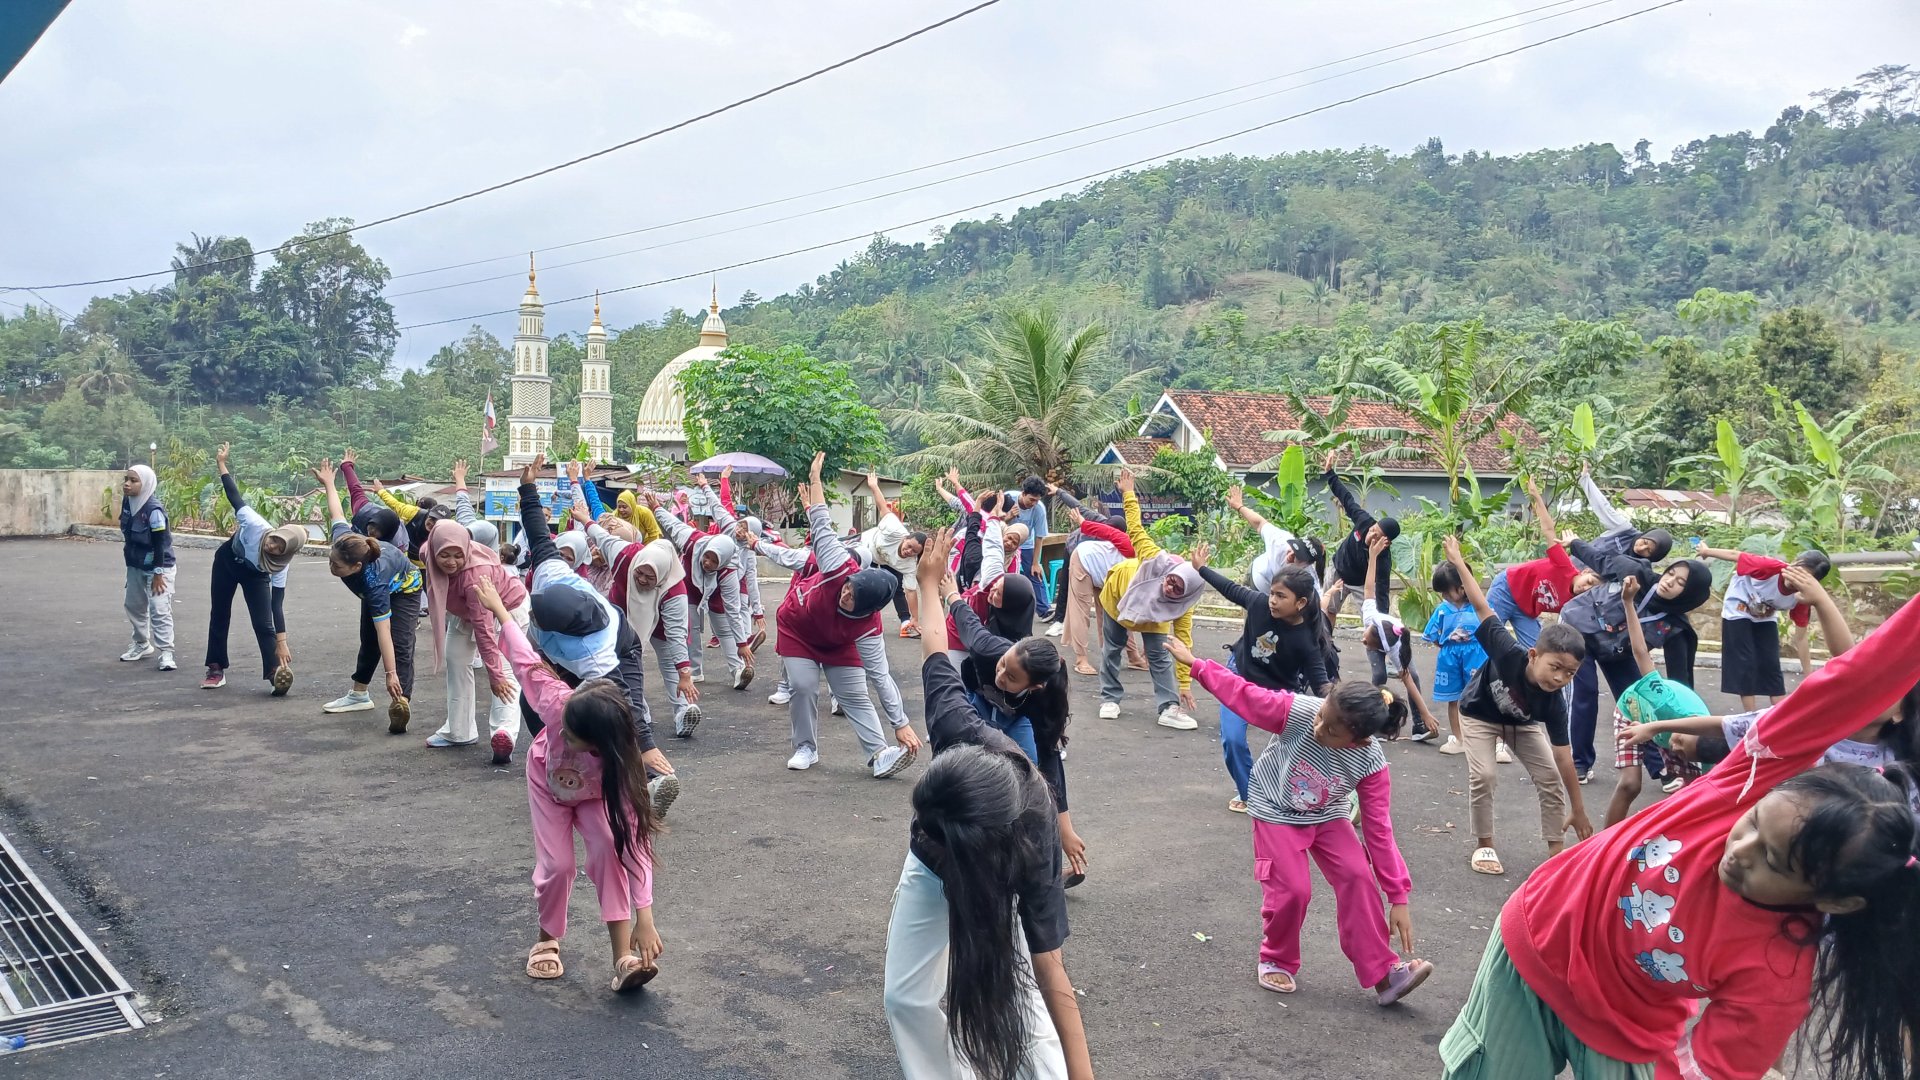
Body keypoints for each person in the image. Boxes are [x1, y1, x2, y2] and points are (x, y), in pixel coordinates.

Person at [1439, 593, 1920, 1080]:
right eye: (1753, 824)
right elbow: (1864, 673)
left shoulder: (1778, 973)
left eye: (1773, 861)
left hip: (1629, 1023)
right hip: (1539, 940)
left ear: (1836, 902)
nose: (1738, 851)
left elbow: (1713, 1069)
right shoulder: (1744, 781)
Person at [884, 527, 1093, 1080]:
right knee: (906, 999)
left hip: (999, 872)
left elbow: (1053, 973)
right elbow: (934, 644)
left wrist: (1083, 1073)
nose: (1004, 672)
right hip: (933, 868)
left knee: (1019, 994)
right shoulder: (957, 725)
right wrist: (931, 584)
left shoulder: (1032, 834)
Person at [1165, 634, 1431, 1002]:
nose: (1320, 728)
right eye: (1324, 717)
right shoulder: (1301, 712)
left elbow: (1379, 833)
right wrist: (1196, 665)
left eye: (1332, 731)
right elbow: (1245, 695)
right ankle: (1277, 959)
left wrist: (1397, 896)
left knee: (1357, 876)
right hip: (1275, 805)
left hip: (1326, 814)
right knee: (1292, 889)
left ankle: (1383, 973)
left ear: (1359, 740)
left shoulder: (1371, 764)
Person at [470, 576, 664, 995]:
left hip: (596, 792)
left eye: (575, 738)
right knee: (558, 866)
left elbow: (635, 844)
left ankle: (622, 959)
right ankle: (547, 938)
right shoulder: (560, 704)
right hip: (548, 783)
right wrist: (499, 609)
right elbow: (524, 660)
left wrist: (646, 917)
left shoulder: (619, 764)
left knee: (610, 850)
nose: (564, 735)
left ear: (602, 745)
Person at [516, 455, 680, 810]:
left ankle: (649, 784)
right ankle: (557, 759)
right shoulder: (551, 574)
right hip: (556, 647)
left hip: (624, 648)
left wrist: (648, 745)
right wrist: (527, 487)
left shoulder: (595, 654)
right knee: (531, 701)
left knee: (606, 719)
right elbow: (537, 533)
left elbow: (624, 704)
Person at [1440, 536, 1592, 877]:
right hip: (1479, 714)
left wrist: (1578, 809)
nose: (1561, 678)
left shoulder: (1554, 701)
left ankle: (1555, 851)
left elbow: (1564, 758)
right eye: (1555, 667)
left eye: (1570, 673)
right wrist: (1458, 560)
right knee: (1485, 774)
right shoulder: (1509, 651)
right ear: (1534, 655)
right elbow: (1482, 607)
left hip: (1521, 723)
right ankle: (1484, 844)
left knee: (1549, 776)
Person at [935, 555, 1087, 890]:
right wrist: (951, 595)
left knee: (1031, 786)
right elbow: (970, 629)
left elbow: (1048, 763)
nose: (1001, 675)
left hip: (1013, 718)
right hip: (978, 705)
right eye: (1003, 666)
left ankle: (1041, 869)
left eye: (1012, 676)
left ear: (1034, 687)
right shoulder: (994, 651)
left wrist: (1065, 828)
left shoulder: (1039, 701)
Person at [769, 452, 922, 777]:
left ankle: (880, 754)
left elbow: (881, 677)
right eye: (849, 588)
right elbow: (822, 523)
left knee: (854, 694)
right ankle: (805, 748)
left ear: (867, 610)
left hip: (839, 644)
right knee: (804, 685)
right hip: (798, 630)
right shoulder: (838, 566)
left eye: (853, 598)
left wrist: (901, 723)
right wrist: (814, 480)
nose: (846, 593)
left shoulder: (869, 629)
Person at [1193, 548, 1332, 815]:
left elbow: (1320, 683)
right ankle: (1252, 796)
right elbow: (1229, 588)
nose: (1272, 600)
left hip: (1279, 691)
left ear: (1300, 603)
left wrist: (1342, 706)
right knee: (1232, 740)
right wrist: (1201, 568)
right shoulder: (1258, 604)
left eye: (1281, 596)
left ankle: (1311, 792)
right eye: (1272, 593)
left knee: (1301, 744)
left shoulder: (1307, 640)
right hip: (1239, 676)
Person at [1561, 549, 1714, 783]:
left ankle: (1662, 768)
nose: (1669, 582)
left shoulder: (1676, 627)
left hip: (1616, 649)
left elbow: (1678, 683)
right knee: (1586, 691)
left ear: (1690, 593)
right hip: (1578, 626)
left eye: (1680, 582)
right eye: (1670, 573)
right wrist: (1574, 543)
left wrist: (1686, 723)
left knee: (1643, 699)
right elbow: (1603, 558)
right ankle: (1579, 763)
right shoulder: (1637, 575)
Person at [314, 460, 420, 733]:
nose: (332, 568)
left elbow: (384, 630)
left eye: (337, 567)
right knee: (367, 640)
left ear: (356, 567)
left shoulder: (373, 582)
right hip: (380, 585)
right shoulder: (345, 542)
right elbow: (337, 511)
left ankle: (401, 702)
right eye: (331, 562)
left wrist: (390, 674)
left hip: (405, 590)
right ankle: (359, 694)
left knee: (400, 643)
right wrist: (328, 483)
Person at [1095, 468, 1204, 729]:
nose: (1170, 588)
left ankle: (1168, 707)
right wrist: (1129, 494)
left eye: (1178, 589)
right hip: (1119, 597)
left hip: (1155, 614)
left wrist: (1185, 686)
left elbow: (1183, 643)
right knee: (1113, 647)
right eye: (1171, 580)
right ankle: (1109, 698)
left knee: (1159, 654)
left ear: (1186, 595)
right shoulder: (1155, 558)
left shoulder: (1182, 606)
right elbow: (1135, 528)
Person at [422, 517, 531, 763]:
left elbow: (485, 629)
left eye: (458, 555)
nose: (451, 562)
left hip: (506, 608)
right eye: (444, 555)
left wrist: (493, 675)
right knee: (456, 659)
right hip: (466, 612)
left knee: (503, 672)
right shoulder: (427, 551)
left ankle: (504, 734)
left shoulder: (474, 578)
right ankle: (458, 731)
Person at [202, 443, 305, 693]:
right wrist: (221, 464)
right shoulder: (256, 524)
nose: (271, 546)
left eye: (279, 547)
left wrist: (282, 642)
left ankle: (274, 672)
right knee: (220, 613)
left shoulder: (280, 567)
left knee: (263, 623)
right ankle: (215, 667)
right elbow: (233, 495)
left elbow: (276, 605)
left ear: (287, 552)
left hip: (255, 574)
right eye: (273, 539)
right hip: (228, 560)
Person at [1695, 543, 1835, 710]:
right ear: (1794, 562)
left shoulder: (1802, 597)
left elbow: (1801, 636)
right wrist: (1706, 551)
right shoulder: (1770, 567)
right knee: (1744, 661)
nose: (1793, 579)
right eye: (1796, 570)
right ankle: (1750, 716)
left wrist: (1808, 676)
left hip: (1764, 615)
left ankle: (1780, 714)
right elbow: (1735, 555)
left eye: (1803, 578)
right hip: (1738, 607)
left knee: (1771, 662)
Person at [654, 473, 753, 691]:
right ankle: (695, 670)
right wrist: (657, 509)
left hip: (715, 590)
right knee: (690, 627)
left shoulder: (728, 572)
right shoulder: (693, 541)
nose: (707, 563)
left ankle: (738, 671)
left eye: (713, 561)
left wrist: (743, 643)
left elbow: (733, 611)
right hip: (689, 585)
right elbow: (672, 523)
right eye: (707, 557)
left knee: (724, 628)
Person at [1485, 478, 1601, 649]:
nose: (1585, 589)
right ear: (1584, 573)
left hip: (1526, 610)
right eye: (1589, 582)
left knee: (1535, 654)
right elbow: (1548, 530)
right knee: (1488, 639)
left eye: (1590, 591)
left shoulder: (1575, 603)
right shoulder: (1565, 566)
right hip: (1506, 589)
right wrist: (1537, 497)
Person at [1358, 535, 1443, 741]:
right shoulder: (1371, 619)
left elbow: (1408, 682)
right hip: (1380, 637)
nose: (1363, 640)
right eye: (1365, 635)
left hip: (1389, 641)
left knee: (1412, 675)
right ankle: (1376, 723)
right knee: (1379, 677)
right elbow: (1370, 588)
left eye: (1366, 641)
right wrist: (1373, 556)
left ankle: (1419, 725)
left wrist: (1426, 713)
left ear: (1378, 644)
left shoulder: (1396, 647)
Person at [1055, 501, 1145, 677]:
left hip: (1106, 571)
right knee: (1081, 609)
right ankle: (1081, 659)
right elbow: (1108, 531)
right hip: (1084, 560)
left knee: (1115, 610)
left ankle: (1132, 657)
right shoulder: (1133, 545)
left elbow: (1128, 613)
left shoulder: (1146, 573)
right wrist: (1083, 523)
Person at [1423, 560, 1489, 757]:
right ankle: (1459, 738)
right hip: (1450, 658)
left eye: (1446, 591)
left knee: (1481, 696)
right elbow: (1433, 635)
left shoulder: (1478, 606)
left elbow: (1491, 627)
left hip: (1476, 656)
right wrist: (1447, 647)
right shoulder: (1442, 610)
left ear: (1462, 588)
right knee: (1454, 698)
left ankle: (1485, 738)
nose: (1443, 596)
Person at [1320, 454, 1397, 619]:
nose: (1371, 533)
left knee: (1372, 618)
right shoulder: (1364, 521)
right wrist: (1330, 474)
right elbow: (1347, 500)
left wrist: (1382, 621)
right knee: (1327, 611)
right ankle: (1325, 643)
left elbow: (1382, 590)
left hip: (1361, 584)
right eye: (1373, 529)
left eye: (1377, 534)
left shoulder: (1383, 560)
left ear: (1386, 542)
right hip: (1339, 570)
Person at [118, 462, 177, 671]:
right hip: (135, 564)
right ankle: (142, 643)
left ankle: (167, 652)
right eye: (126, 479)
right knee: (133, 604)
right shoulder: (128, 502)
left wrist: (158, 573)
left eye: (133, 481)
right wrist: (131, 570)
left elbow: (160, 542)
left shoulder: (153, 510)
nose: (127, 484)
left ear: (146, 484)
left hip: (159, 566)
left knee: (159, 608)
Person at [856, 471, 926, 638]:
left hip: (889, 562)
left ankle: (905, 623)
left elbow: (911, 591)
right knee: (865, 584)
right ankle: (859, 617)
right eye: (909, 546)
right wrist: (874, 486)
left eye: (913, 552)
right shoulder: (894, 529)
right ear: (906, 537)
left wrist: (916, 618)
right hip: (867, 549)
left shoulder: (909, 565)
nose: (908, 551)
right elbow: (883, 507)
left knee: (897, 586)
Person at [1576, 465, 1675, 564]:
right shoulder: (1624, 529)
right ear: (1645, 534)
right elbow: (1602, 507)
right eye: (1645, 542)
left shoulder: (1638, 568)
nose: (1642, 548)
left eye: (1648, 551)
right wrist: (1585, 478)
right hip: (1570, 564)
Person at [1006, 475, 1053, 618]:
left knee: (1034, 573)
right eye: (1031, 499)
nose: (1033, 503)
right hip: (1005, 541)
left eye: (1037, 500)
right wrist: (1008, 517)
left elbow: (1039, 537)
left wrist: (1035, 563)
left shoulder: (1039, 509)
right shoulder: (1008, 499)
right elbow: (992, 520)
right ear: (1023, 493)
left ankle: (1045, 610)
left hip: (1026, 544)